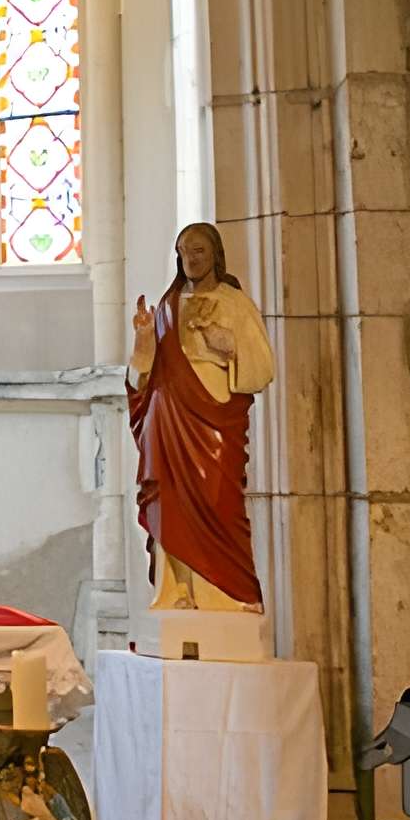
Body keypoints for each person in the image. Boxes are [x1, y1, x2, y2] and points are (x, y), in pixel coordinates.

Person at [125, 221, 277, 610]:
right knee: (171, 502)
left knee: (217, 501)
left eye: (198, 251)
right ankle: (179, 594)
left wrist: (226, 345)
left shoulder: (234, 302)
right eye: (183, 252)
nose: (190, 259)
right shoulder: (168, 305)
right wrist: (144, 342)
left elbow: (262, 368)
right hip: (169, 415)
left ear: (214, 255)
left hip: (216, 417)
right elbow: (141, 378)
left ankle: (227, 597)